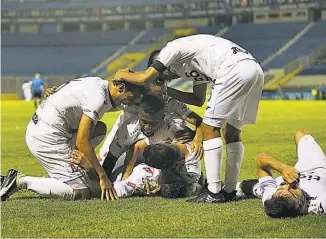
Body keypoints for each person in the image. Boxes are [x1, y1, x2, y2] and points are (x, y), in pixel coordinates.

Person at [113, 34, 264, 203]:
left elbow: (144, 77)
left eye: (163, 77)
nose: (168, 80)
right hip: (253, 69)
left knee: (209, 129)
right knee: (231, 132)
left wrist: (123, 74)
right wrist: (165, 92)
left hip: (231, 70)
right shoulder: (194, 63)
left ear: (162, 65)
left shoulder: (170, 49)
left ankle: (213, 193)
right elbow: (198, 99)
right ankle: (229, 190)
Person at [0, 77, 142, 202]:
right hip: (47, 138)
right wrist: (102, 175)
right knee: (82, 191)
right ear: (121, 88)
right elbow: (82, 141)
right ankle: (19, 181)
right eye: (130, 97)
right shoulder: (98, 98)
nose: (130, 102)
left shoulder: (98, 84)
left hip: (45, 129)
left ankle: (65, 172)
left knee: (99, 129)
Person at [101, 93, 203, 196]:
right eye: (144, 121)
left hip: (152, 156)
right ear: (139, 114)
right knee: (106, 170)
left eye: (153, 123)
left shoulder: (171, 129)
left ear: (163, 118)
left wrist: (197, 138)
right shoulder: (128, 129)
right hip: (127, 151)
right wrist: (124, 177)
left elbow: (200, 122)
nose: (147, 127)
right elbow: (112, 158)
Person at [237, 130, 326, 217]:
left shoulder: (270, 195)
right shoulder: (320, 203)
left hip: (299, 169)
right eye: (293, 189)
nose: (288, 184)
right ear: (299, 206)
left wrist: (283, 168)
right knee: (301, 134)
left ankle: (234, 189)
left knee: (255, 187)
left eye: (281, 189)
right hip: (318, 168)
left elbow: (261, 159)